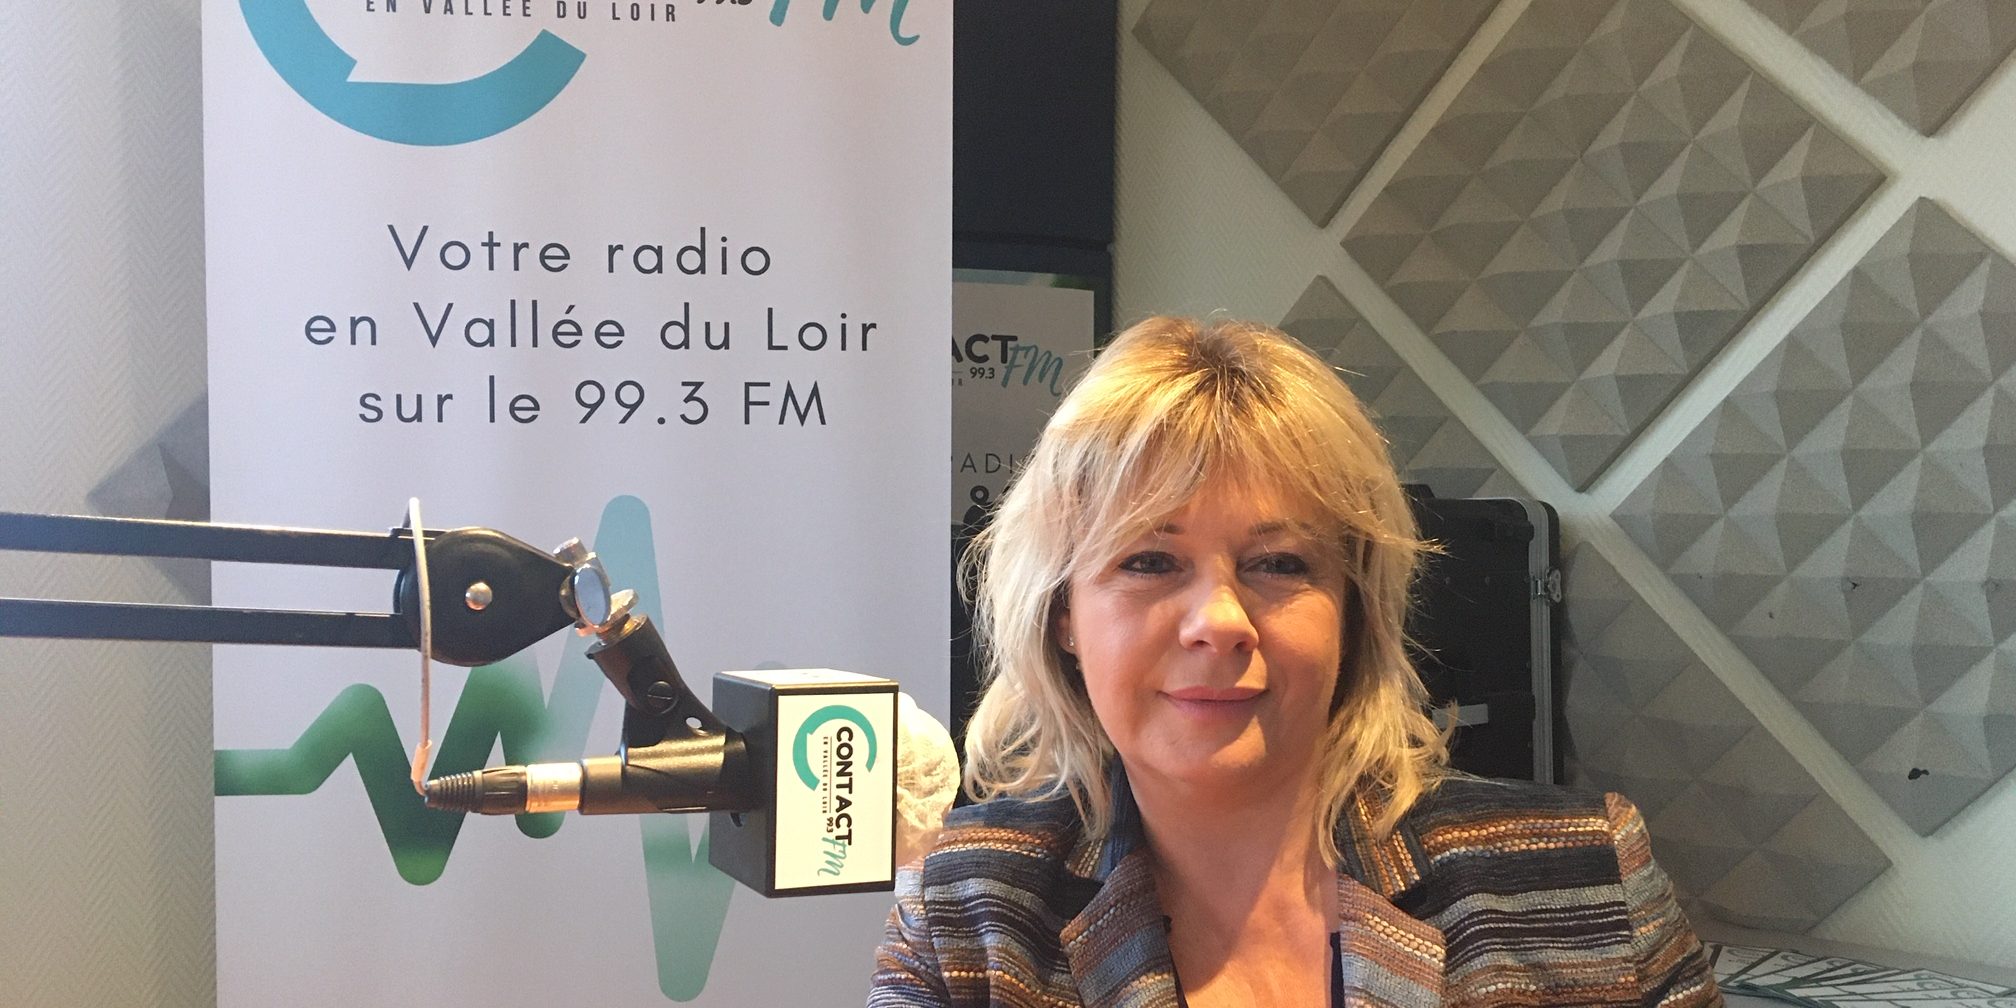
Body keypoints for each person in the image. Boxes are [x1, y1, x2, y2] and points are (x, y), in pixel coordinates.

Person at [871, 317, 1720, 1007]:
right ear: (1063, 613)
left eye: (1279, 563)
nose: (1219, 622)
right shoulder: (966, 919)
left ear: (1352, 608)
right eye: (1150, 561)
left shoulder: (1589, 884)